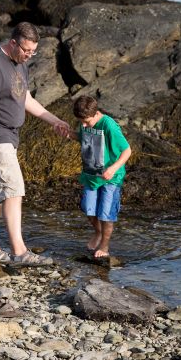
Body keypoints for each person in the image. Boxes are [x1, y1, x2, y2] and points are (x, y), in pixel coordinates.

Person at [0, 22, 71, 264]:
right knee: (14, 190)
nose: (29, 55)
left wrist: (54, 120)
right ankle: (20, 252)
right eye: (26, 50)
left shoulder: (20, 64)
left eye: (33, 51)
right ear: (13, 43)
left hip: (9, 136)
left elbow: (25, 97)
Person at [73, 95, 131, 259]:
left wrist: (112, 169)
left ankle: (104, 246)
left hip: (111, 178)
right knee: (88, 208)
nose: (84, 125)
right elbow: (83, 138)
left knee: (106, 214)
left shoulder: (109, 125)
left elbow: (127, 150)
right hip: (91, 175)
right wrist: (69, 134)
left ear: (96, 113)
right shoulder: (85, 121)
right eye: (81, 122)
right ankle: (98, 233)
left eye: (86, 122)